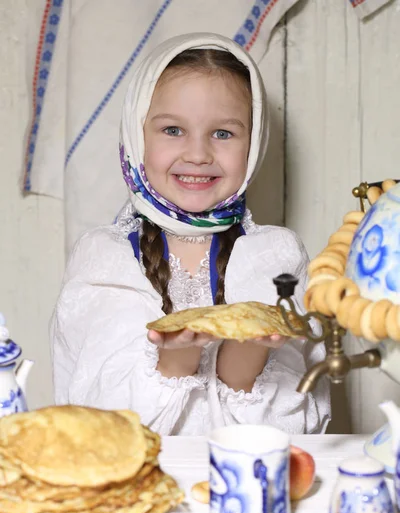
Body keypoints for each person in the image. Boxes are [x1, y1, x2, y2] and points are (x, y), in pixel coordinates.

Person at [51, 33, 330, 435]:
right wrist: (175, 360)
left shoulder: (276, 256)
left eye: (223, 133)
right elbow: (96, 427)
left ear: (253, 145)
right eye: (172, 130)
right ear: (136, 135)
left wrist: (246, 354)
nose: (198, 154)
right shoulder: (104, 259)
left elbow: (301, 428)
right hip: (134, 492)